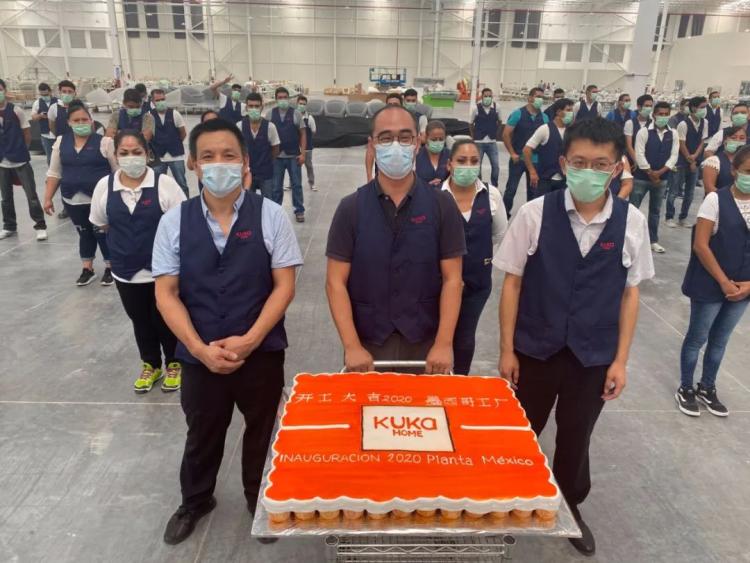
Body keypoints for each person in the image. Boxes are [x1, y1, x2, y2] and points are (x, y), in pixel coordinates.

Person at [495, 117, 653, 557]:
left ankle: (569, 508)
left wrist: (620, 360)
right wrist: (506, 349)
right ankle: (509, 500)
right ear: (564, 164)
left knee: (576, 434)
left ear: (617, 168)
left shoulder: (632, 222)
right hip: (535, 349)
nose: (589, 171)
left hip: (592, 354)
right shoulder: (534, 214)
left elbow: (630, 294)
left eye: (600, 164)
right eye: (579, 162)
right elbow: (512, 284)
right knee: (521, 430)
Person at [153, 118, 302, 545]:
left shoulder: (271, 215)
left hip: (261, 351)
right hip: (199, 353)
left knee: (262, 430)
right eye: (208, 156)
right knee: (203, 430)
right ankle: (195, 500)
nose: (219, 164)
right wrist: (198, 349)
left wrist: (251, 339)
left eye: (228, 155)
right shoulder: (174, 222)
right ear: (193, 164)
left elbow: (284, 285)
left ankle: (260, 499)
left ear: (245, 161)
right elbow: (166, 293)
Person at [325, 104, 465, 374]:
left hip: (425, 341)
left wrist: (444, 343)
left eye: (404, 137)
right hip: (369, 343)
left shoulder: (442, 205)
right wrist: (352, 346)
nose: (396, 145)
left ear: (417, 143)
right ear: (372, 145)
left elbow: (453, 279)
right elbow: (335, 282)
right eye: (386, 138)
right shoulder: (351, 208)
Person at [89, 130, 186, 393]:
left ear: (147, 154)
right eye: (124, 153)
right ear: (115, 155)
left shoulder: (164, 184)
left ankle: (175, 362)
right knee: (139, 320)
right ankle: (151, 364)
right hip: (125, 271)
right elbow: (101, 222)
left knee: (167, 318)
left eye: (136, 152)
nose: (130, 157)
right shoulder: (105, 186)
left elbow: (181, 225)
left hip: (163, 271)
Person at [676, 145, 750, 418]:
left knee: (720, 340)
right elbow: (701, 245)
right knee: (697, 337)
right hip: (710, 283)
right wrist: (724, 282)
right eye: (748, 171)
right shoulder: (715, 200)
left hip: (743, 288)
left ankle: (707, 386)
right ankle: (686, 387)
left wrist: (748, 285)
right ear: (735, 171)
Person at [441, 139, 507, 374]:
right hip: (439, 284)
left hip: (478, 282)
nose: (468, 166)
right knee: (439, 335)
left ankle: (460, 380)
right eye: (461, 161)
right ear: (449, 164)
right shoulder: (435, 196)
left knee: (465, 335)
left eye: (473, 161)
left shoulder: (491, 195)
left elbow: (499, 233)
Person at [43, 101, 118, 286]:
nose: (81, 123)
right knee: (84, 233)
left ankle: (111, 267)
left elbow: (117, 172)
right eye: (76, 120)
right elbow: (54, 172)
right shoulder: (61, 142)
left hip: (100, 200)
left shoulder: (105, 142)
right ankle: (87, 268)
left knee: (102, 233)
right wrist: (47, 197)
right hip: (72, 199)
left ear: (91, 121)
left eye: (85, 119)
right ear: (69, 122)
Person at [0, 79, 48, 241]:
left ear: (5, 90)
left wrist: (22, 150)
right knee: (5, 197)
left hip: (20, 159)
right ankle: (9, 226)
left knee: (31, 195)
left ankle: (40, 225)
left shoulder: (16, 111)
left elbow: (26, 133)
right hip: (2, 161)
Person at [630, 101, 679, 254]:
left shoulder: (673, 134)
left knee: (655, 211)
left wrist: (660, 172)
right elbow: (639, 154)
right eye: (660, 114)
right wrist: (651, 172)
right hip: (641, 178)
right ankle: (628, 238)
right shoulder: (644, 132)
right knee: (633, 209)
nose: (663, 117)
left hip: (662, 179)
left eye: (666, 114)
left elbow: (674, 156)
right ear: (654, 115)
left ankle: (652, 240)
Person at [502, 87, 549, 214]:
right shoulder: (518, 114)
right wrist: (512, 153)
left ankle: (530, 216)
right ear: (529, 98)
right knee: (511, 190)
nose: (540, 99)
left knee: (533, 191)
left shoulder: (545, 118)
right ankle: (504, 215)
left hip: (535, 161)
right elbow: (506, 134)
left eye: (542, 97)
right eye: (537, 96)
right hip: (518, 159)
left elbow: (546, 139)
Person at [667, 96, 708, 228]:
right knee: (674, 191)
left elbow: (702, 142)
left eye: (705, 107)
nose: (704, 110)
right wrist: (690, 160)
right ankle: (669, 216)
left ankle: (683, 218)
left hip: (695, 161)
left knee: (689, 193)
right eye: (702, 107)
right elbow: (681, 144)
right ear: (694, 108)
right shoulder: (683, 124)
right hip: (681, 162)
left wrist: (695, 157)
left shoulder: (704, 123)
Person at [270, 87, 307, 223]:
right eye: (280, 97)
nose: (283, 100)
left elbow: (303, 134)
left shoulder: (296, 114)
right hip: (277, 157)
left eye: (285, 97)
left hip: (293, 156)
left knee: (296, 185)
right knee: (276, 187)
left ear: (289, 98)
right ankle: (276, 212)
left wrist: (303, 154)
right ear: (276, 99)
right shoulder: (270, 114)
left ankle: (299, 210)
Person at [524, 98, 574, 198]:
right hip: (545, 179)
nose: (571, 113)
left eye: (572, 110)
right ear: (558, 112)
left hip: (564, 180)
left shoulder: (571, 131)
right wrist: (532, 171)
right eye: (568, 110)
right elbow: (527, 150)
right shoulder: (545, 129)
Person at [238, 92, 280, 199]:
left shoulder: (270, 127)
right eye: (251, 106)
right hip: (246, 172)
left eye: (257, 106)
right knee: (247, 200)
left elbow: (276, 149)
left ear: (262, 107)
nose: (254, 109)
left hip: (265, 172)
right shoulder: (239, 126)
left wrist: (266, 161)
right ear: (246, 107)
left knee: (268, 200)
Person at [149, 89, 189, 197]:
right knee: (157, 184)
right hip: (158, 157)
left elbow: (183, 132)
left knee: (181, 183)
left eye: (162, 99)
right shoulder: (149, 116)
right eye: (158, 100)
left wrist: (174, 143)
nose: (161, 102)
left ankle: (185, 202)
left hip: (176, 156)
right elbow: (148, 135)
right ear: (152, 102)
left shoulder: (175, 114)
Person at [47, 79, 78, 219]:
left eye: (70, 92)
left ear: (74, 93)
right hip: (63, 146)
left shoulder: (79, 106)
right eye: (64, 91)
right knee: (64, 177)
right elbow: (52, 126)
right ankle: (66, 206)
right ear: (59, 92)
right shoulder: (54, 108)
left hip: (79, 144)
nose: (67, 94)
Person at [470, 87, 503, 188]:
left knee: (496, 166)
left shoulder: (497, 107)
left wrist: (496, 134)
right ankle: (479, 186)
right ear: (482, 96)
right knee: (477, 166)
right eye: (486, 96)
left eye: (490, 96)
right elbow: (471, 124)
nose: (488, 98)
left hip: (492, 142)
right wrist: (473, 137)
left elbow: (500, 122)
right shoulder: (476, 108)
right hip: (478, 142)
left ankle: (494, 185)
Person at [701, 126, 747, 194]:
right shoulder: (714, 161)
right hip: (720, 199)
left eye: (742, 138)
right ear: (725, 140)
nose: (738, 141)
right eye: (733, 138)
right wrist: (731, 197)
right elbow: (709, 188)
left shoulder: (746, 161)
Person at [415, 120, 450, 187]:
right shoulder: (417, 155)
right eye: (434, 139)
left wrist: (443, 183)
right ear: (426, 138)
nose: (438, 142)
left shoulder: (449, 155)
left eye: (441, 139)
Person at [31, 82, 57, 165]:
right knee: (50, 157)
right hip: (46, 135)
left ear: (50, 92)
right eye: (42, 95)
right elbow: (33, 117)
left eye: (46, 95)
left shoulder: (58, 102)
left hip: (58, 134)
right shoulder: (37, 103)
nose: (44, 97)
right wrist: (40, 115)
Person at [623, 94, 653, 164]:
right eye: (646, 106)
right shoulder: (630, 123)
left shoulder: (653, 123)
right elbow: (629, 146)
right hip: (633, 161)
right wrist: (638, 162)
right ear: (639, 107)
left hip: (649, 160)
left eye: (650, 106)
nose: (649, 108)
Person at [297, 95, 317, 192]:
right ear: (297, 104)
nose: (302, 105)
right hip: (296, 148)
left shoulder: (310, 118)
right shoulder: (293, 117)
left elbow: (313, 131)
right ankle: (292, 184)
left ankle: (312, 183)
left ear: (306, 105)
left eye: (304, 104)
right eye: (300, 104)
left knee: (309, 165)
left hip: (307, 148)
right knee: (294, 167)